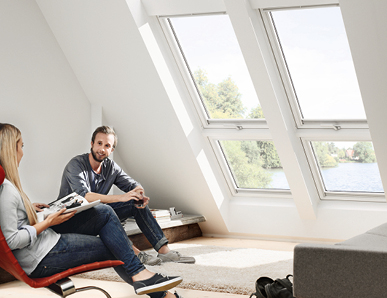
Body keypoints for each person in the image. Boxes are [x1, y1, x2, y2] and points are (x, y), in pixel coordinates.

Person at [0, 123, 184, 298]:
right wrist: (48, 222)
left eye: (107, 146)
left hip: (46, 243)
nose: (23, 152)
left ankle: (149, 273)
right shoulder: (8, 189)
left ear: (112, 150)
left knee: (108, 219)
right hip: (43, 254)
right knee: (114, 239)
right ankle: (150, 282)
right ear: (10, 149)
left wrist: (27, 207)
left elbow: (12, 218)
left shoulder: (8, 187)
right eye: (21, 146)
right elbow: (13, 240)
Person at [57, 126, 195, 266]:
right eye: (99, 143)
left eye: (107, 146)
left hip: (95, 216)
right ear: (92, 144)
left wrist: (139, 194)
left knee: (134, 203)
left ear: (111, 150)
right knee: (105, 210)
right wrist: (120, 197)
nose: (102, 149)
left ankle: (165, 252)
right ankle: (134, 254)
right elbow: (84, 196)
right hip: (70, 220)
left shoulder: (110, 167)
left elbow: (133, 185)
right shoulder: (75, 165)